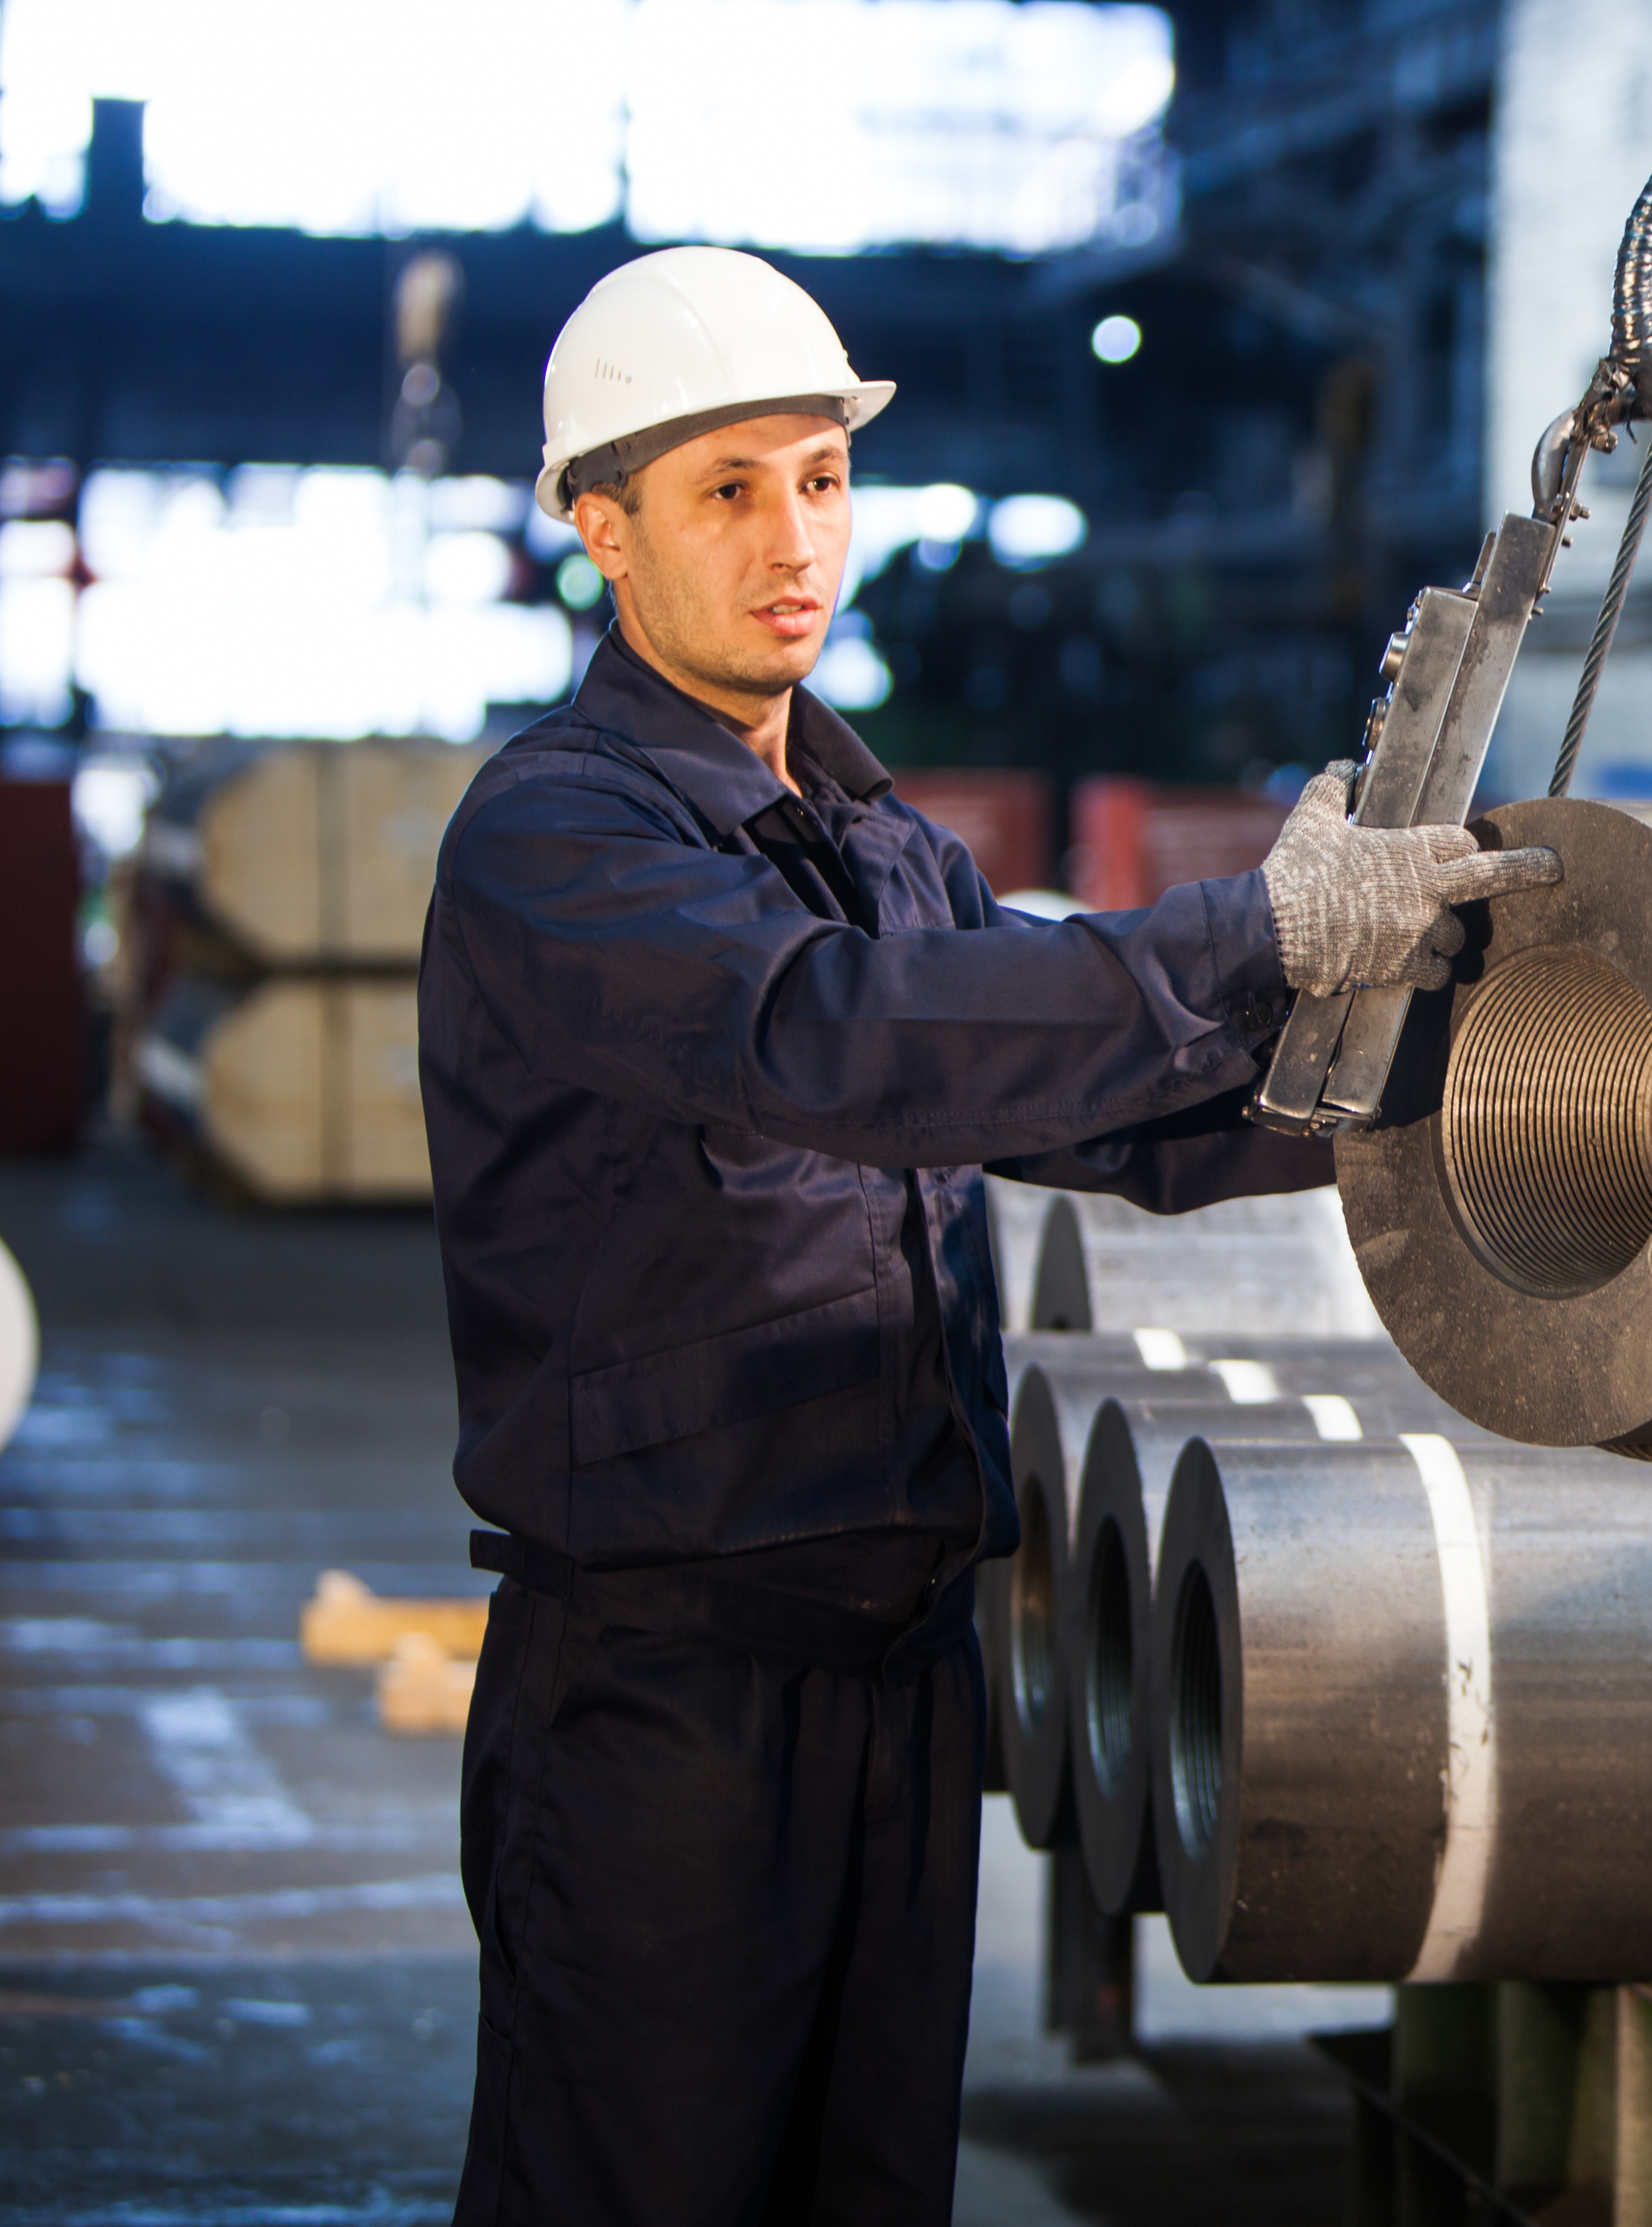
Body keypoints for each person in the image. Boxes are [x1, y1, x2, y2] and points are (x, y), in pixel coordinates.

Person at [418, 244, 1556, 2226]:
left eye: (821, 480)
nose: (797, 541)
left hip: (900, 1681)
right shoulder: (557, 841)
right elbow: (833, 1046)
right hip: (664, 1707)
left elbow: (1107, 1115)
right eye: (726, 491)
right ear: (600, 528)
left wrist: (1468, 1076)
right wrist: (1243, 929)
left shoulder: (881, 846)